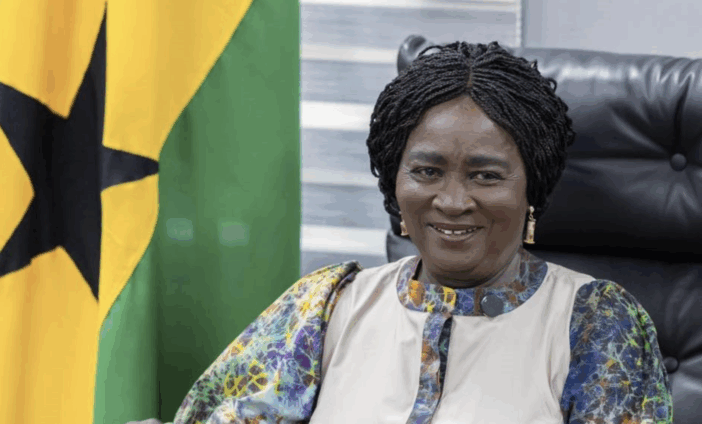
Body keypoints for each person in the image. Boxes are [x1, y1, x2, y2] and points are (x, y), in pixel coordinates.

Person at [137, 41, 673, 424]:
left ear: (532, 188)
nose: (453, 201)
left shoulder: (595, 324)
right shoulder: (327, 306)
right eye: (427, 171)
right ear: (395, 182)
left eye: (486, 176)